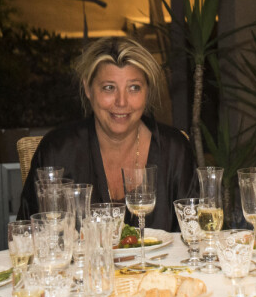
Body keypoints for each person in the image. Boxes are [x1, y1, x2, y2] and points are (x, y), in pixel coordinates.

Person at [19, 36, 196, 231]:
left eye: (134, 88)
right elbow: (27, 234)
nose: (121, 102)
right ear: (88, 88)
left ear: (147, 91)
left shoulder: (174, 150)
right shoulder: (57, 151)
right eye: (109, 88)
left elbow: (197, 236)